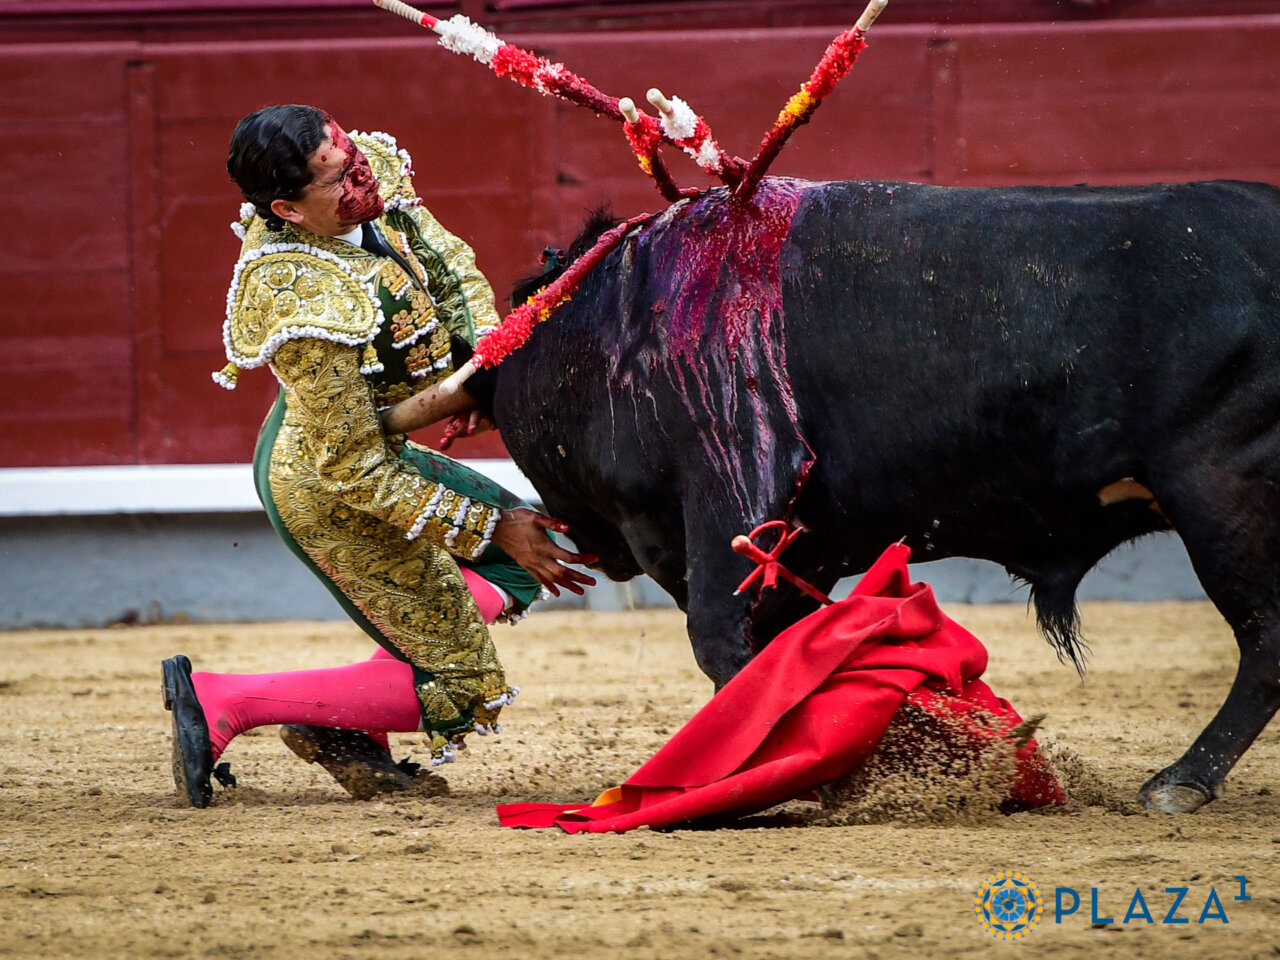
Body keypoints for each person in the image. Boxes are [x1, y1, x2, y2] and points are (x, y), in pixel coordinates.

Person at [163, 104, 596, 808]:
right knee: (459, 685)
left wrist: (481, 367)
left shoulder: (368, 173)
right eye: (336, 180)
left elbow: (449, 268)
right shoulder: (296, 295)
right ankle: (227, 701)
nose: (360, 178)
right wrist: (490, 524)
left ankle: (347, 720)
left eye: (350, 156)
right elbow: (352, 467)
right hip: (329, 485)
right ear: (288, 210)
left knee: (522, 557)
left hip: (375, 453)